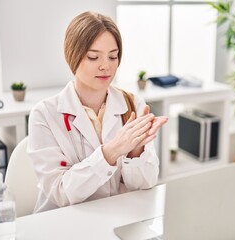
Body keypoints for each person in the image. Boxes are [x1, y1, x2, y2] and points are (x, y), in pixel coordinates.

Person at [27, 11, 168, 213]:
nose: (106, 66)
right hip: (63, 223)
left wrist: (135, 151)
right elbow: (61, 193)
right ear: (72, 56)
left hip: (116, 217)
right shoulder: (44, 115)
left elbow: (145, 185)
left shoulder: (133, 104)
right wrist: (112, 151)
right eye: (93, 57)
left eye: (113, 56)